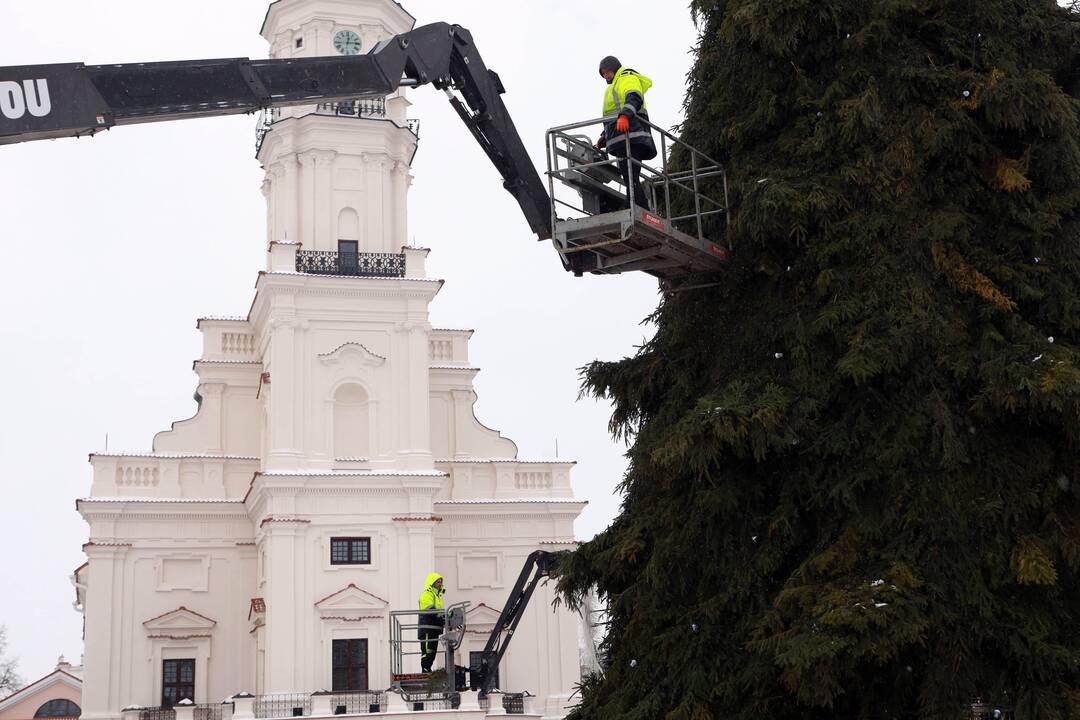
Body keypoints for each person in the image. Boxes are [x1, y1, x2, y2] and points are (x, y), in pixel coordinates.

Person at [595, 55, 658, 211]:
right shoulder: (612, 87)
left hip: (632, 135)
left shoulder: (626, 77)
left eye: (607, 72)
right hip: (621, 137)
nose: (606, 76)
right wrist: (605, 135)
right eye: (603, 74)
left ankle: (637, 208)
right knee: (629, 176)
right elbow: (613, 114)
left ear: (615, 68)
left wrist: (624, 115)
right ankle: (636, 206)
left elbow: (634, 97)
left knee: (630, 175)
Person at [417, 571, 446, 673]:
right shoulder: (427, 594)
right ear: (432, 583)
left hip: (434, 629)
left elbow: (440, 613)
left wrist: (446, 618)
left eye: (441, 582)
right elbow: (430, 610)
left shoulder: (437, 597)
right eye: (438, 582)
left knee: (432, 652)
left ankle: (427, 669)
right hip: (427, 628)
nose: (440, 584)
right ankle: (425, 669)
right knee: (427, 651)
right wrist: (443, 619)